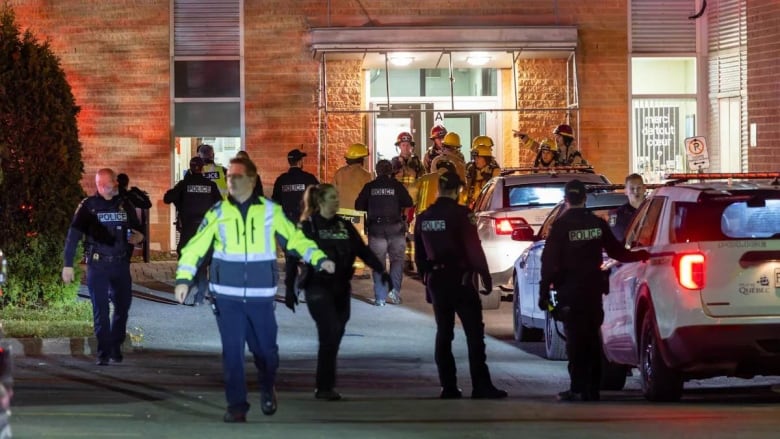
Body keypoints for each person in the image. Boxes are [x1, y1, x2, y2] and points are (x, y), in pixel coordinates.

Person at [173, 156, 335, 422]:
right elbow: (195, 247)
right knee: (233, 352)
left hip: (261, 295)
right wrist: (184, 278)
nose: (232, 181)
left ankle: (267, 385)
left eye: (238, 176)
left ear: (251, 179)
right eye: (230, 177)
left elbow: (294, 239)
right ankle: (236, 406)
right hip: (226, 295)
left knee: (266, 352)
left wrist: (318, 258)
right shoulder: (218, 212)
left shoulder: (270, 211)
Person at [538, 179, 649, 402]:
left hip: (570, 292)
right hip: (593, 291)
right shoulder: (596, 224)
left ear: (566, 199)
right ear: (585, 198)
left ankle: (577, 387)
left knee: (575, 341)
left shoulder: (560, 227)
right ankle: (592, 389)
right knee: (592, 339)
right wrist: (646, 254)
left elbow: (548, 263)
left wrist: (544, 293)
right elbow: (619, 253)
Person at [285, 184, 391, 401]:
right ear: (321, 201)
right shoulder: (309, 226)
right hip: (317, 286)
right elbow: (292, 257)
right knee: (329, 330)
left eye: (337, 197)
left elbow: (362, 250)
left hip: (342, 286)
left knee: (337, 332)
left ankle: (326, 384)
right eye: (332, 198)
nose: (336, 201)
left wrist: (381, 270)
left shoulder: (343, 225)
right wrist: (289, 288)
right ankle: (324, 387)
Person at [414, 171, 508, 400]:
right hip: (461, 280)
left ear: (439, 189)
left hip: (438, 280)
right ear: (457, 191)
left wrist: (428, 279)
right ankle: (481, 385)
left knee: (444, 333)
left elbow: (419, 257)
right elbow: (473, 248)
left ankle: (448, 386)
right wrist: (485, 276)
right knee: (474, 335)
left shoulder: (424, 218)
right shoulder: (462, 215)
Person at [62, 168, 145, 366]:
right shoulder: (89, 206)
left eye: (115, 184)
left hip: (120, 264)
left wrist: (139, 237)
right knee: (100, 309)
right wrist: (68, 265)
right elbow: (73, 237)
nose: (114, 187)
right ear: (99, 185)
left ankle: (116, 344)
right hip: (98, 265)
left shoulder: (124, 204)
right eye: (110, 185)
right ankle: (104, 351)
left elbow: (139, 231)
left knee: (122, 307)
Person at [163, 156, 222, 305]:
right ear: (203, 168)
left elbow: (167, 198)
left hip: (188, 229)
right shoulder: (210, 185)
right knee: (202, 262)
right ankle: (199, 296)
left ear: (190, 167)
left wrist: (180, 199)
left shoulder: (184, 184)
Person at [355, 159, 413, 306]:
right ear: (391, 172)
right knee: (397, 260)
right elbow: (409, 202)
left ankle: (380, 298)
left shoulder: (370, 187)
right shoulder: (397, 186)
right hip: (395, 228)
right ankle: (394, 291)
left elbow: (358, 206)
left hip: (376, 229)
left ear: (376, 171)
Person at [272, 148, 320, 303]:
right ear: (300, 161)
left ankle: (293, 291)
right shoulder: (309, 178)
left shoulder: (281, 180)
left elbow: (276, 202)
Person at [332, 143, 373, 276]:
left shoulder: (339, 173)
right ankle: (358, 271)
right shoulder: (366, 175)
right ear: (361, 159)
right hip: (358, 216)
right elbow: (369, 197)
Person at [390, 132, 424, 273]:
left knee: (411, 232)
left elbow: (423, 181)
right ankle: (401, 260)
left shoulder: (417, 163)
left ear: (411, 147)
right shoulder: (394, 162)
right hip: (398, 203)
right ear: (399, 146)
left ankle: (410, 261)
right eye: (403, 145)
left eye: (408, 145)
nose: (405, 147)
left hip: (412, 203)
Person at [514, 123, 587, 166]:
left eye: (559, 137)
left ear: (567, 138)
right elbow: (537, 148)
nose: (556, 139)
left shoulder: (575, 156)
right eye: (556, 136)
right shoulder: (554, 149)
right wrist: (524, 138)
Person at [465, 136, 501, 208]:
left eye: (478, 157)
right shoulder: (471, 169)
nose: (476, 160)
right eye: (475, 158)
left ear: (486, 158)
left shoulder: (494, 171)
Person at [609, 173, 646, 242]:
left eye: (639, 187)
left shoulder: (654, 210)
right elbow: (618, 240)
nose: (636, 191)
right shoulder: (618, 215)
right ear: (626, 191)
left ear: (644, 188)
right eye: (632, 188)